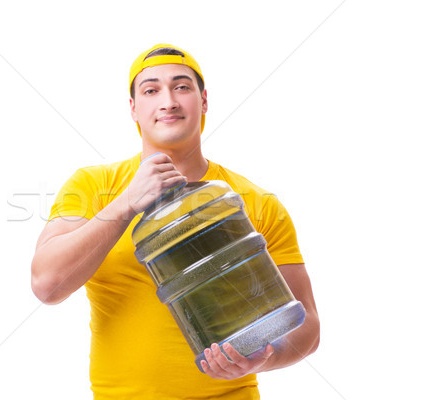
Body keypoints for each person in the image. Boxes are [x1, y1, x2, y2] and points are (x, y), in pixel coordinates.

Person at [31, 43, 320, 399]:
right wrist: (127, 203)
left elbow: (307, 324)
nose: (168, 101)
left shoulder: (256, 202)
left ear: (204, 101)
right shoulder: (94, 187)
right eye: (151, 90)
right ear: (134, 109)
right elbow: (47, 285)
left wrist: (264, 358)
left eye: (182, 87)